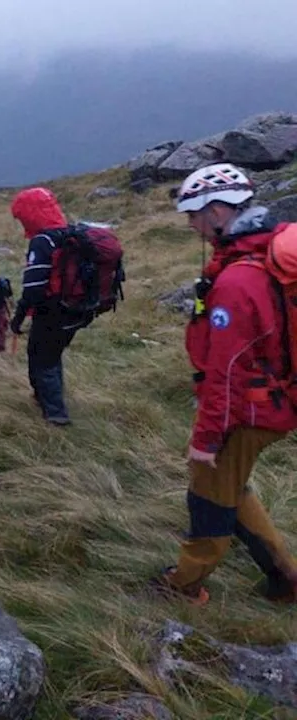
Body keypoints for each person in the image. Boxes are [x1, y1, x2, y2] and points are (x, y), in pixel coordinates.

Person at [151, 163, 297, 606]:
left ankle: (184, 586)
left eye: (194, 215)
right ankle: (285, 578)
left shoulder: (237, 280)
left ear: (217, 211)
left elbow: (226, 372)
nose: (191, 225)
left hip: (249, 409)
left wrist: (207, 438)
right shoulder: (262, 254)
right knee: (232, 486)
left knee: (209, 496)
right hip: (274, 401)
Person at [9, 186, 86, 426]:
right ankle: (49, 398)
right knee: (52, 355)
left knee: (40, 358)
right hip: (77, 309)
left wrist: (18, 318)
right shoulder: (71, 234)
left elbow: (33, 288)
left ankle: (55, 414)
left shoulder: (43, 241)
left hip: (52, 311)